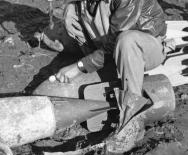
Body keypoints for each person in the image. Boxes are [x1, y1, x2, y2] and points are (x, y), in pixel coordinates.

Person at [54, 0, 167, 131]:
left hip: (143, 48)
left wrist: (79, 66)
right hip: (110, 48)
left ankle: (133, 120)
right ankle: (99, 64)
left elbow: (114, 44)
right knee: (71, 10)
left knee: (126, 40)